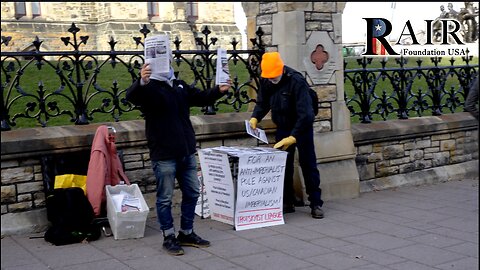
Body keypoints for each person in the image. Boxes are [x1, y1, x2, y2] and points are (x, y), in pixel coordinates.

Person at [126, 50, 231, 256]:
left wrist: (220, 90)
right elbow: (131, 96)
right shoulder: (150, 88)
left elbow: (201, 98)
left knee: (192, 192)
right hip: (164, 153)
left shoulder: (179, 85)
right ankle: (169, 236)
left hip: (186, 151)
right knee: (165, 197)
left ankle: (187, 232)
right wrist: (142, 81)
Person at [248, 52, 324, 219]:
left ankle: (316, 203)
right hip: (282, 126)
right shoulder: (267, 79)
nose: (272, 80)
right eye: (269, 77)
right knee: (283, 166)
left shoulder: (296, 81)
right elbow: (262, 102)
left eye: (275, 77)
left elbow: (306, 114)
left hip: (301, 128)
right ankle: (287, 202)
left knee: (308, 164)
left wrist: (294, 136)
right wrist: (255, 117)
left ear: (281, 70)